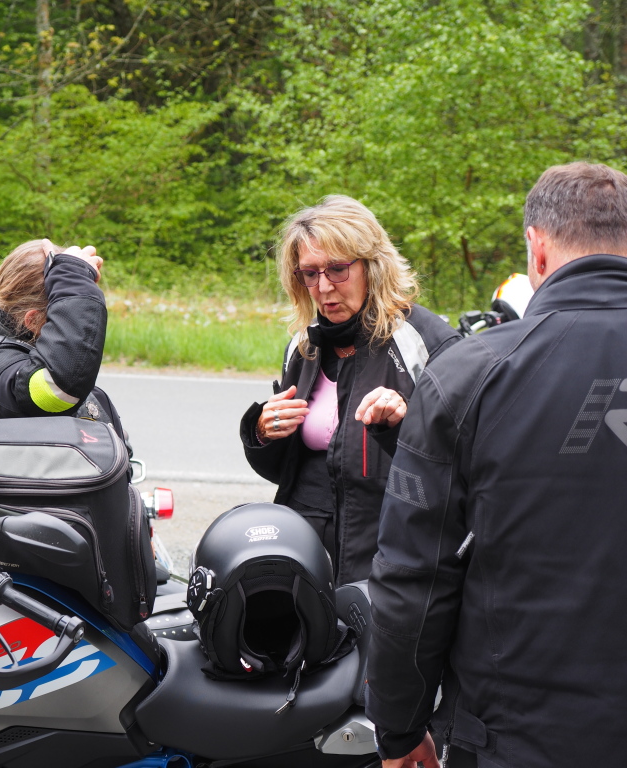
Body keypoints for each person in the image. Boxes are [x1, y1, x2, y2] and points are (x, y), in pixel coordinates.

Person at [366, 162, 627, 768]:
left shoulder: (469, 374)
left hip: (515, 737)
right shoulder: (467, 374)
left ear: (537, 249)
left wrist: (399, 729)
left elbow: (413, 580)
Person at [239, 196, 459, 584]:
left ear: (372, 265)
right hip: (306, 549)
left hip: (391, 551)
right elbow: (283, 472)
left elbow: (460, 460)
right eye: (309, 274)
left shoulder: (426, 341)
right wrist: (262, 432)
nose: (323, 287)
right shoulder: (303, 346)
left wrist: (401, 426)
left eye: (338, 269)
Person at [0, 238, 122, 434]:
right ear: (33, 320)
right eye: (63, 312)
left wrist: (75, 279)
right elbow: (58, 390)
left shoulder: (14, 345)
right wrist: (74, 283)